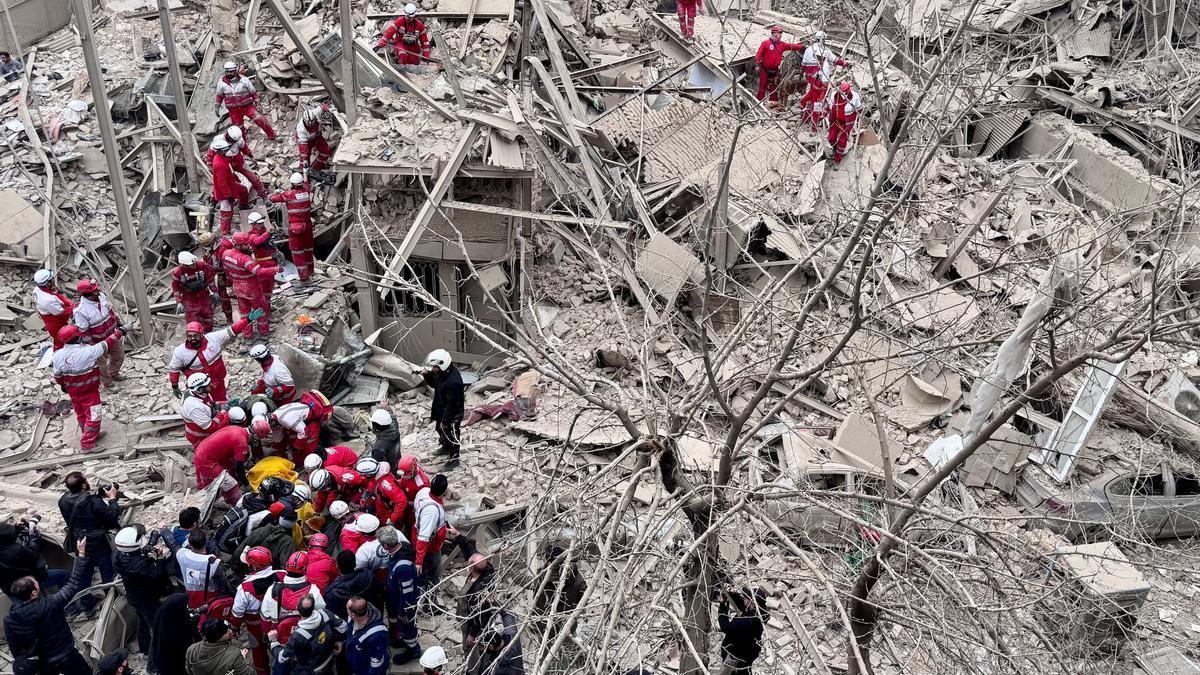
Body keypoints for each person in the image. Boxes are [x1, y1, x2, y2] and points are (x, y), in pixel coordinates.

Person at [4, 537, 91, 675]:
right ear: (34, 592)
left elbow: (16, 649)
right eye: (36, 583)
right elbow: (73, 583)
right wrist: (81, 554)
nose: (38, 583)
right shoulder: (51, 603)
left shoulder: (10, 620)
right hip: (66, 653)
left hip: (43, 662)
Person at [57, 473, 120, 610]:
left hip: (79, 541)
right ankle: (111, 598)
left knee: (84, 572)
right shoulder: (93, 502)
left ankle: (86, 602)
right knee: (106, 570)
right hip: (97, 542)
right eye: (85, 479)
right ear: (84, 485)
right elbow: (112, 517)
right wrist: (112, 498)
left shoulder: (63, 500)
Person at [114, 526, 174, 663]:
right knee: (158, 627)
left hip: (134, 596)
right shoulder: (138, 565)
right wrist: (160, 558)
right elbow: (158, 575)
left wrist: (153, 538)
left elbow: (139, 551)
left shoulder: (121, 556)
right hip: (146, 599)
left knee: (142, 622)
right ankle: (158, 658)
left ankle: (145, 648)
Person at [168, 316, 253, 404]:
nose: (192, 339)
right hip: (199, 385)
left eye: (195, 336)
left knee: (220, 399)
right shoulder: (180, 351)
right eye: (190, 336)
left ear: (201, 334)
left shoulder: (213, 338)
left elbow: (232, 330)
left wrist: (248, 320)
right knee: (201, 402)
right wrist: (175, 386)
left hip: (217, 379)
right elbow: (174, 369)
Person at [231, 547, 279, 675]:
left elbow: (237, 614)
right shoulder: (282, 575)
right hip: (277, 623)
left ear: (254, 567)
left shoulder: (244, 589)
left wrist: (234, 629)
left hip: (256, 628)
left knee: (258, 654)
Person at [268, 596, 346, 675]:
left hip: (309, 671)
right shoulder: (326, 613)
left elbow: (282, 658)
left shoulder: (297, 636)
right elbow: (344, 627)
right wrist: (339, 640)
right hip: (328, 663)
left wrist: (274, 642)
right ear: (313, 608)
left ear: (297, 609)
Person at [193, 421, 264, 505]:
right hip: (206, 461)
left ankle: (205, 489)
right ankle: (237, 504)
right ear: (255, 435)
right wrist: (246, 483)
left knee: (230, 467)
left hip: (202, 452)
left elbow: (235, 464)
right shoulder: (242, 443)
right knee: (231, 485)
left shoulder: (238, 429)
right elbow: (239, 467)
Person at [262, 551, 325, 643]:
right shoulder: (313, 591)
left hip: (280, 638)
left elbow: (265, 619)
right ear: (305, 569)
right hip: (307, 637)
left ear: (287, 566)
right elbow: (321, 614)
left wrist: (268, 636)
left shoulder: (273, 590)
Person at [72, 278, 125, 385]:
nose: (98, 291)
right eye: (95, 290)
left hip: (111, 335)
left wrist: (118, 323)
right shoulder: (81, 311)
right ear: (88, 294)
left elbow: (110, 311)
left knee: (119, 356)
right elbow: (84, 332)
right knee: (102, 365)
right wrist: (92, 348)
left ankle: (114, 373)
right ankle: (107, 382)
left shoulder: (101, 297)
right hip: (97, 342)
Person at [0, 518, 66, 600]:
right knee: (65, 575)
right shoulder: (15, 550)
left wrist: (16, 529)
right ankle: (71, 608)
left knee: (24, 609)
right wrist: (33, 536)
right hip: (30, 583)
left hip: (9, 589)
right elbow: (33, 554)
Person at [222, 233, 274, 336]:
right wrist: (275, 269)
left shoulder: (226, 254)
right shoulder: (244, 259)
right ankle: (264, 333)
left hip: (237, 286)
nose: (249, 246)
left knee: (244, 313)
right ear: (237, 246)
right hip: (251, 287)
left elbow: (227, 272)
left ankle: (247, 335)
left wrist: (230, 284)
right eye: (245, 244)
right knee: (260, 310)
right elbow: (258, 271)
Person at [417, 350, 464, 462]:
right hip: (442, 409)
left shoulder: (453, 382)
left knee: (451, 433)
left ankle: (454, 457)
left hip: (452, 413)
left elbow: (452, 405)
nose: (433, 369)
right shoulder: (443, 373)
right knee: (439, 428)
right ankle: (446, 447)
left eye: (435, 367)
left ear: (443, 365)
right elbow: (434, 383)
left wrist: (445, 421)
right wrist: (426, 374)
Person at [268, 173, 315, 282]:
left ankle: (304, 278)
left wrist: (273, 194)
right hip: (307, 226)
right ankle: (311, 272)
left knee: (297, 253)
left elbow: (273, 199)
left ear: (292, 184)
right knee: (308, 250)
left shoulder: (289, 195)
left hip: (296, 228)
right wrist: (305, 174)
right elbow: (307, 184)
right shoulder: (306, 192)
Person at [215, 61, 276, 139]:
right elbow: (219, 95)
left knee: (260, 119)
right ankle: (243, 145)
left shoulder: (244, 80)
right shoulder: (221, 82)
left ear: (235, 71)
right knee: (238, 129)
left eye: (230, 72)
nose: (228, 74)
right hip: (233, 110)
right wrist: (217, 105)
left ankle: (272, 135)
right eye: (227, 72)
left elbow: (253, 92)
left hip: (247, 107)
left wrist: (257, 103)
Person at [271, 390, 334, 464]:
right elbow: (278, 437)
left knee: (306, 450)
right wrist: (281, 451)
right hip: (301, 420)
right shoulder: (278, 417)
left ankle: (302, 461)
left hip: (308, 425)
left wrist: (295, 448)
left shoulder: (286, 420)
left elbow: (304, 432)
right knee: (292, 438)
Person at [177, 530, 233, 609]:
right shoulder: (214, 563)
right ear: (205, 542)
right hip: (210, 598)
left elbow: (172, 544)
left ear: (189, 545)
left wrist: (164, 529)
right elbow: (223, 584)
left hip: (191, 595)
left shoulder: (181, 555)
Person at [385, 539, 420, 664]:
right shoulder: (398, 552)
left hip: (405, 605)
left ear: (385, 545)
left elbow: (407, 593)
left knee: (407, 627)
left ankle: (413, 650)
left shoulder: (403, 568)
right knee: (403, 626)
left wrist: (403, 611)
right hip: (397, 600)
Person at [717, 588, 765, 675]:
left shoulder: (746, 622)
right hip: (748, 654)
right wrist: (731, 594)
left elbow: (725, 626)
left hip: (736, 658)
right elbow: (742, 605)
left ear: (752, 604)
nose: (744, 598)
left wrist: (723, 605)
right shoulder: (760, 614)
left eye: (747, 598)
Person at [210, 138, 250, 236]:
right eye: (225, 149)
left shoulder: (221, 159)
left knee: (243, 190)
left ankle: (243, 206)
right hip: (225, 193)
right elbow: (222, 184)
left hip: (230, 184)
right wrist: (229, 197)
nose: (227, 150)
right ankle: (225, 232)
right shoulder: (220, 164)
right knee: (226, 213)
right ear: (220, 151)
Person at [181, 373, 233, 449]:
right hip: (201, 436)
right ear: (200, 389)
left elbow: (210, 404)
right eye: (208, 385)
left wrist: (224, 404)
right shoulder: (194, 407)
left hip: (205, 425)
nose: (211, 385)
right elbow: (211, 427)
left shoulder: (198, 393)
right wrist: (223, 411)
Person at [187, 619, 255, 675]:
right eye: (226, 632)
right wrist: (243, 658)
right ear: (218, 637)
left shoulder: (192, 649)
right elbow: (248, 673)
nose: (230, 631)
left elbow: (189, 670)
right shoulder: (234, 655)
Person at [152, 593, 199, 675]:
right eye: (185, 606)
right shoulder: (173, 629)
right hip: (175, 663)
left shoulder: (164, 618)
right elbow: (185, 640)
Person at [754, 26, 803, 102]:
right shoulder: (765, 43)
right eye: (780, 33)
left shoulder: (782, 45)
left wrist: (801, 46)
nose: (781, 35)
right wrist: (757, 65)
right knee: (762, 88)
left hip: (775, 71)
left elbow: (792, 46)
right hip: (765, 70)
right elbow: (759, 54)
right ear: (775, 33)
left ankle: (773, 105)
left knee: (774, 89)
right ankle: (759, 104)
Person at [172, 251, 217, 332]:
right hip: (189, 298)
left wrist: (214, 291)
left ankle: (208, 333)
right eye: (191, 264)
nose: (194, 265)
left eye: (194, 263)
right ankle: (196, 335)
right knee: (192, 319)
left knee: (208, 315)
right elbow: (176, 288)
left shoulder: (201, 265)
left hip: (203, 295)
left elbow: (209, 278)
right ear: (184, 265)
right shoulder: (178, 272)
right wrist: (178, 301)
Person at [468, 611, 523, 675]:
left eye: (482, 647)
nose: (482, 649)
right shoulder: (512, 635)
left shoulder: (493, 669)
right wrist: (494, 602)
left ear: (491, 647)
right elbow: (507, 615)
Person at [323, 551, 373, 620]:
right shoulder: (368, 576)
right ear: (355, 564)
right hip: (370, 614)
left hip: (348, 622)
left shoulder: (331, 592)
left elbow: (331, 614)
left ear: (337, 566)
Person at [196, 232, 234, 324]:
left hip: (225, 275)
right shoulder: (209, 249)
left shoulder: (223, 250)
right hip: (214, 273)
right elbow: (207, 259)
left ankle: (230, 319)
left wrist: (229, 286)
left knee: (225, 297)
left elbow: (229, 269)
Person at [344, 597, 389, 675]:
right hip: (357, 665)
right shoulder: (353, 618)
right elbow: (351, 636)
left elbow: (376, 663)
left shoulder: (377, 635)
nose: (346, 609)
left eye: (347, 608)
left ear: (353, 614)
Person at [32, 269, 74, 350]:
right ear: (47, 283)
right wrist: (73, 308)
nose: (53, 279)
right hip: (54, 321)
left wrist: (68, 303)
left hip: (51, 313)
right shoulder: (47, 300)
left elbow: (56, 295)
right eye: (51, 279)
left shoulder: (38, 288)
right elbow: (61, 313)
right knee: (60, 339)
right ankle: (59, 355)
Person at [358, 458, 406, 527]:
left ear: (369, 475)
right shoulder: (375, 478)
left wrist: (392, 520)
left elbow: (401, 502)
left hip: (387, 515)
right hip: (380, 510)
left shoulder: (385, 484)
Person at [827, 81, 863, 164]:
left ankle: (837, 159)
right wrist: (824, 114)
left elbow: (859, 110)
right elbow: (829, 106)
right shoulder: (834, 95)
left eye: (846, 92)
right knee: (831, 138)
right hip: (835, 121)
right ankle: (836, 149)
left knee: (842, 141)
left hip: (847, 124)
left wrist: (857, 122)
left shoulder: (855, 97)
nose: (844, 94)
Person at [293, 104, 332, 172]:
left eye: (313, 122)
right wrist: (304, 159)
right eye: (308, 124)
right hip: (307, 141)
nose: (311, 125)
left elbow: (323, 107)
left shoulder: (316, 113)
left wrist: (329, 109)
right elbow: (303, 146)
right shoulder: (301, 129)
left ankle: (316, 168)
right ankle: (303, 171)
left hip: (317, 136)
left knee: (325, 151)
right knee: (305, 159)